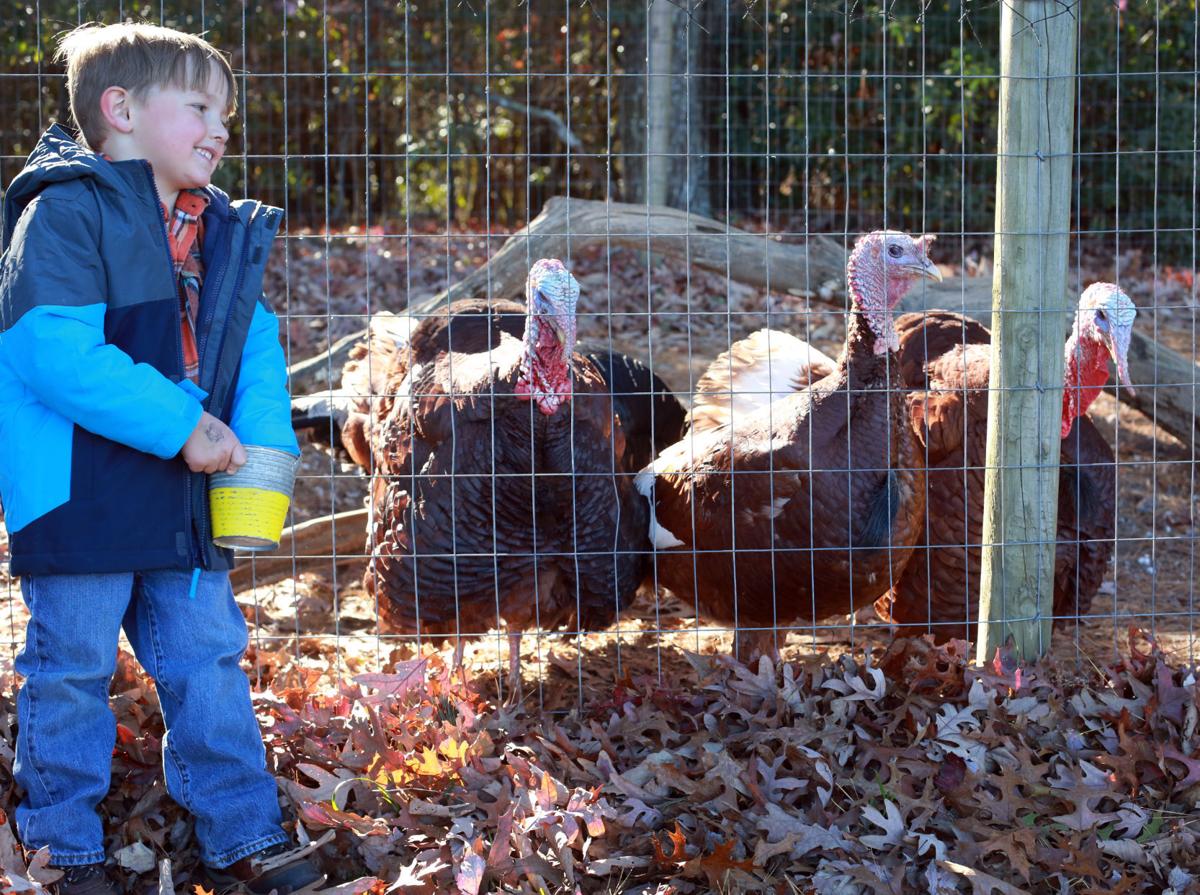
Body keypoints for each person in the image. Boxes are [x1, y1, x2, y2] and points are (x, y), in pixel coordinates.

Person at [0, 22, 322, 895]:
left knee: (207, 659)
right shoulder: (65, 212)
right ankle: (60, 847)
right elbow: (52, 351)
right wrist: (184, 424)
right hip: (81, 495)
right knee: (70, 668)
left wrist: (264, 447)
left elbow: (254, 351)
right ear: (122, 109)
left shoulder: (218, 231)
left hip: (183, 500)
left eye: (225, 115)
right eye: (200, 108)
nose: (220, 130)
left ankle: (243, 829)